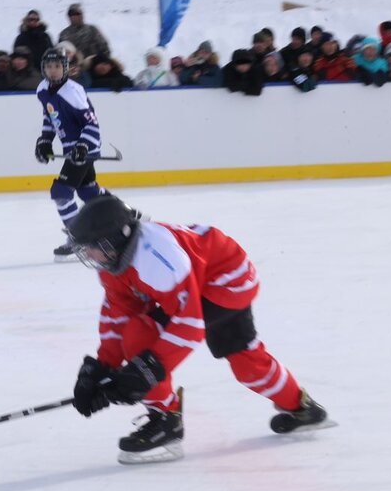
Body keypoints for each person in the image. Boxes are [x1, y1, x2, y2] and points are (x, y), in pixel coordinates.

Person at [65, 194, 333, 464]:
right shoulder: (113, 262)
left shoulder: (155, 259)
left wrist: (145, 373)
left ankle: (166, 423)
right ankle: (302, 408)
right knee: (246, 363)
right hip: (201, 273)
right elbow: (118, 314)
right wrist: (102, 368)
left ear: (114, 239)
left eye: (91, 247)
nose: (87, 254)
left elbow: (189, 326)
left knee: (141, 335)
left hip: (226, 281)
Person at [32, 47, 106, 262]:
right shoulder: (42, 89)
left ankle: (79, 239)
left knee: (61, 193)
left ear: (65, 68)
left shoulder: (73, 92)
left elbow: (92, 125)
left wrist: (82, 146)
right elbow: (50, 116)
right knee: (88, 192)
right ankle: (125, 214)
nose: (53, 70)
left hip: (85, 147)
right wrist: (45, 140)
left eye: (57, 66)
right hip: (71, 149)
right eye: (49, 66)